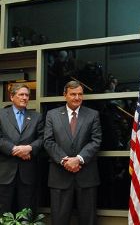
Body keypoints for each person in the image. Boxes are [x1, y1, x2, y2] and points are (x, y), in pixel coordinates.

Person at [44, 80, 102, 225]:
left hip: (86, 175)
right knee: (59, 220)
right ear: (65, 95)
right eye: (73, 94)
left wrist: (79, 159)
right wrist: (64, 160)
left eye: (80, 94)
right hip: (59, 176)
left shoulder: (93, 114)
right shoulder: (52, 115)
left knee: (88, 220)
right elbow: (48, 141)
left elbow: (96, 140)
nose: (77, 97)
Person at [0, 83, 43, 215]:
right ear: (12, 97)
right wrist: (14, 150)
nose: (25, 98)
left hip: (28, 173)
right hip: (5, 174)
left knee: (27, 213)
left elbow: (43, 139)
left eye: (27, 95)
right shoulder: (1, 114)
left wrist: (29, 148)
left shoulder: (37, 116)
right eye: (21, 94)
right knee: (4, 212)